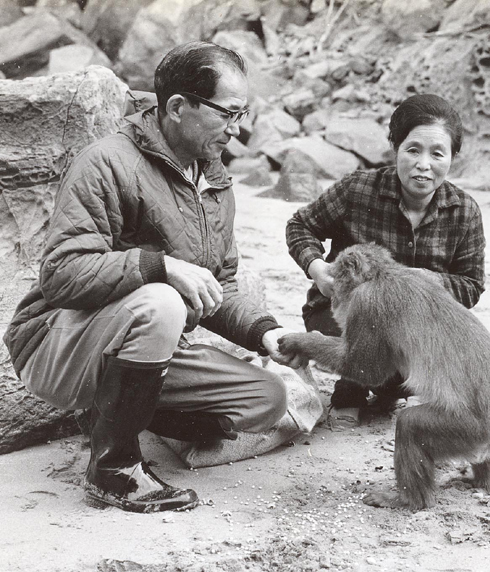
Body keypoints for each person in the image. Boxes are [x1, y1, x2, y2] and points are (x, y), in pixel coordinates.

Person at [3, 41, 302, 514]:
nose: (236, 130)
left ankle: (113, 414)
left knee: (267, 397)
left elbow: (217, 289)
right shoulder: (107, 161)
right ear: (178, 107)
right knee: (162, 299)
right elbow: (60, 273)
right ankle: (114, 469)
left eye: (242, 114)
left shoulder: (215, 181)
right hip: (56, 347)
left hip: (142, 349)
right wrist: (159, 266)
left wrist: (266, 332)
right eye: (227, 113)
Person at [285, 93, 486, 420]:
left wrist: (426, 280)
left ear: (453, 157)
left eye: (437, 153)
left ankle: (392, 390)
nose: (424, 165)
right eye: (412, 150)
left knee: (405, 370)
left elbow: (472, 285)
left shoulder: (464, 211)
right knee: (361, 348)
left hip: (413, 327)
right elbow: (300, 225)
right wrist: (316, 268)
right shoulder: (358, 188)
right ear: (395, 148)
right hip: (342, 313)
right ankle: (350, 388)